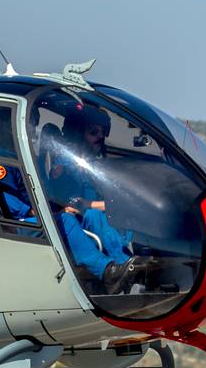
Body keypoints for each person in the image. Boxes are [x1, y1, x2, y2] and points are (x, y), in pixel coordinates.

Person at [44, 103, 145, 292]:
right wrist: (97, 205)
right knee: (94, 216)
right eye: (93, 132)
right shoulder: (65, 167)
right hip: (82, 221)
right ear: (78, 135)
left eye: (102, 133)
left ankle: (135, 261)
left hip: (110, 221)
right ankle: (124, 265)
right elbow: (72, 202)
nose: (100, 137)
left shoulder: (97, 165)